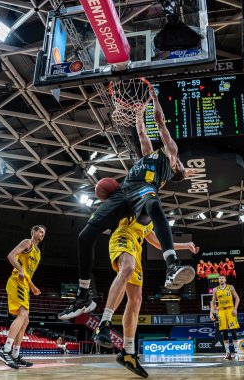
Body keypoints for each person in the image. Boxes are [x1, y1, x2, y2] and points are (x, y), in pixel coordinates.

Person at [59, 93, 195, 320]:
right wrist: (139, 115)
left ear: (175, 166)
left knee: (153, 203)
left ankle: (171, 265)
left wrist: (155, 98)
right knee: (85, 235)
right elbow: (142, 132)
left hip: (142, 190)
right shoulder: (148, 156)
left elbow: (160, 122)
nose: (179, 159)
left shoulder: (170, 158)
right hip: (123, 192)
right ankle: (84, 295)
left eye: (180, 164)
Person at [94, 215, 199, 377]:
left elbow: (158, 243)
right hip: (122, 236)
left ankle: (128, 352)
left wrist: (185, 245)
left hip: (136, 247)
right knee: (127, 268)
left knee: (136, 299)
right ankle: (103, 324)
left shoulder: (148, 222)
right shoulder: (133, 199)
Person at [0, 225, 45, 370]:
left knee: (26, 320)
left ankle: (16, 354)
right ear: (33, 232)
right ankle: (5, 351)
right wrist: (19, 269)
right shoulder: (27, 243)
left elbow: (28, 273)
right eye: (40, 231)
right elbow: (11, 255)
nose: (42, 234)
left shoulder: (38, 252)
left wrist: (32, 286)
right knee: (22, 315)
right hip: (16, 281)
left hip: (24, 285)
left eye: (44, 233)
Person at [210, 275, 241, 360]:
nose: (221, 279)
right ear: (218, 280)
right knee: (224, 332)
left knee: (233, 330)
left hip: (230, 310)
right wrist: (211, 313)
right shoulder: (215, 289)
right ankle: (228, 354)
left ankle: (236, 353)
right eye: (220, 278)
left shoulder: (230, 287)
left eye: (222, 278)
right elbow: (213, 302)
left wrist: (235, 309)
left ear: (225, 280)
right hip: (221, 311)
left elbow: (237, 298)